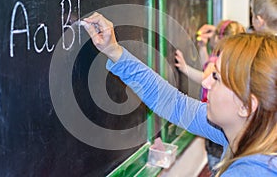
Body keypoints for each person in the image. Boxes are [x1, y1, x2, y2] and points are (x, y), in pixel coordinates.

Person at [82, 12, 277, 176]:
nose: (207, 82)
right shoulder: (251, 132)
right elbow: (174, 103)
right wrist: (114, 51)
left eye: (216, 77)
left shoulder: (252, 172)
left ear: (246, 106)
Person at [175, 20, 246, 175]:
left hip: (215, 120)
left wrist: (185, 69)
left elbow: (205, 75)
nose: (209, 82)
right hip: (218, 118)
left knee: (217, 160)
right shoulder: (231, 58)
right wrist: (202, 48)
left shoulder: (221, 59)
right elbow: (208, 67)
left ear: (218, 38)